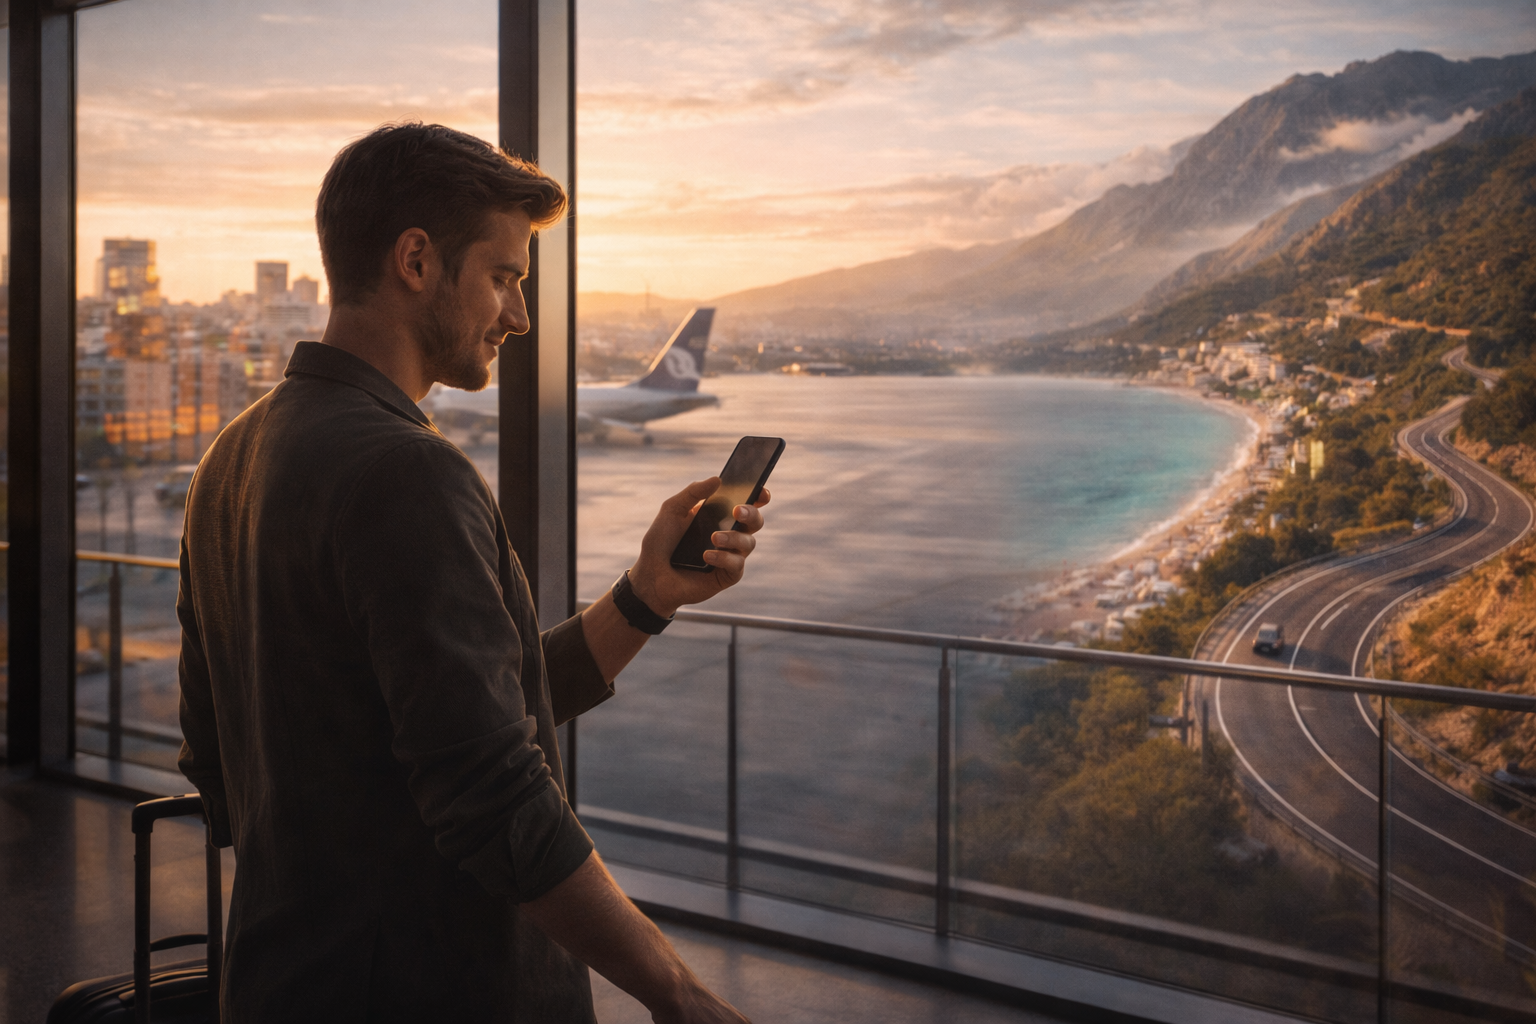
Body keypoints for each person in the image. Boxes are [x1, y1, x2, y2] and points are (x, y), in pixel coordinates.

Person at [177, 122, 761, 1023]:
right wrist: (677, 993)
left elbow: (227, 756)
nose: (519, 317)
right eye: (504, 277)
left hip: (282, 978)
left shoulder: (232, 456)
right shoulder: (405, 471)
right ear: (416, 259)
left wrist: (646, 598)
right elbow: (494, 795)